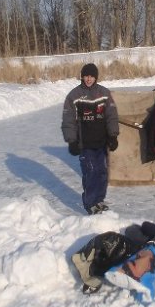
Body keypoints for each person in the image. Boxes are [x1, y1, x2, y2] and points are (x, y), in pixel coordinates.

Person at [61, 63, 119, 215]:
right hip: (84, 143)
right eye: (86, 76)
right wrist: (71, 140)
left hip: (101, 142)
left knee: (102, 172)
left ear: (96, 77)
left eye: (91, 76)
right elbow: (68, 120)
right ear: (82, 76)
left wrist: (113, 136)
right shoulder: (74, 95)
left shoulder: (104, 93)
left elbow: (111, 116)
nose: (88, 79)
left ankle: (99, 200)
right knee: (91, 172)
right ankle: (90, 203)